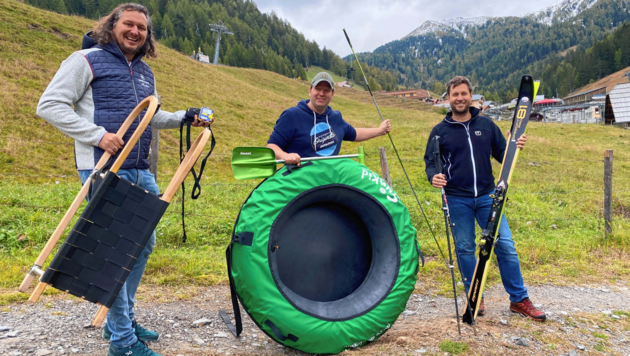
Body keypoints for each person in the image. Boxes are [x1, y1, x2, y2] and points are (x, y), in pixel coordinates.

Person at [36, 3, 210, 356]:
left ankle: (122, 321)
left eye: (141, 28)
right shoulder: (85, 60)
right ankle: (123, 343)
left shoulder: (145, 72)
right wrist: (98, 135)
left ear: (147, 35)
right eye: (128, 25)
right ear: (112, 26)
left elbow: (151, 117)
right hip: (103, 168)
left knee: (142, 245)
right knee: (114, 251)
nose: (135, 32)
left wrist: (184, 117)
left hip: (139, 167)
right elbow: (50, 104)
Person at [423, 76, 546, 322]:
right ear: (448, 98)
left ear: (472, 96)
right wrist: (433, 177)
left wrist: (515, 145)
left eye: (463, 93)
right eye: (455, 94)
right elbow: (430, 163)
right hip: (457, 200)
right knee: (466, 248)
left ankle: (519, 300)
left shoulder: (487, 125)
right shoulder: (440, 132)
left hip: (490, 197)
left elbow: (504, 156)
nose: (459, 98)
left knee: (506, 246)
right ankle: (474, 297)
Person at [267, 72, 391, 164]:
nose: (321, 93)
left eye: (326, 90)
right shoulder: (292, 116)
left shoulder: (335, 117)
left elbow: (354, 133)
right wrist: (285, 156)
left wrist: (380, 130)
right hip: (299, 182)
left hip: (329, 181)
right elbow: (271, 146)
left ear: (332, 94)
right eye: (318, 89)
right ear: (310, 91)